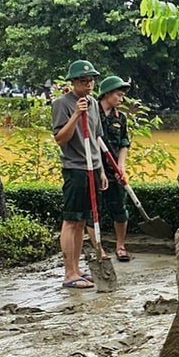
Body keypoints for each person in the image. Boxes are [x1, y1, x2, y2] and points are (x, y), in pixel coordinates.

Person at [50, 60, 108, 290]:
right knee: (71, 220)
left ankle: (77, 268)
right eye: (83, 81)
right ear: (73, 82)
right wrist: (75, 115)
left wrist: (101, 169)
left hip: (92, 168)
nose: (89, 84)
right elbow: (60, 138)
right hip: (75, 168)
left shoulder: (94, 103)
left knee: (84, 220)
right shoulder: (62, 104)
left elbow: (96, 138)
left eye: (91, 80)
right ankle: (69, 273)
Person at [96, 75, 134, 262]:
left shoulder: (121, 118)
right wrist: (100, 170)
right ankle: (99, 248)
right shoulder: (92, 113)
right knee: (95, 211)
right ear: (107, 94)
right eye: (118, 95)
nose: (121, 99)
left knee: (120, 208)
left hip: (114, 171)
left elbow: (124, 144)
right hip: (95, 169)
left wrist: (121, 167)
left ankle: (120, 246)